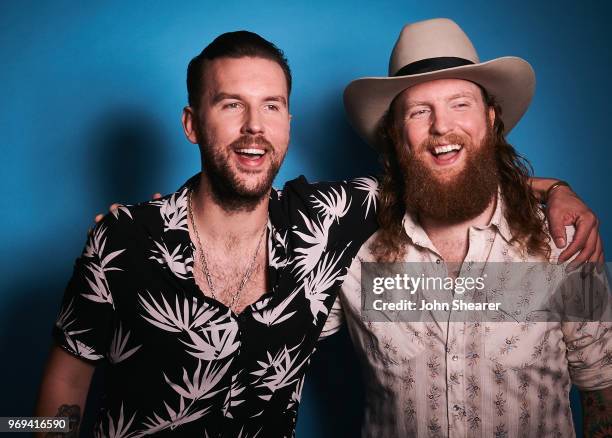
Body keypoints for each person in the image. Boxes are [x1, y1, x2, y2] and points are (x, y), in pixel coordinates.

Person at [36, 29, 602, 437]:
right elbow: (58, 399)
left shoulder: (326, 222)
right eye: (231, 105)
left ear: (288, 123)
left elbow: (446, 168)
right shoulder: (122, 239)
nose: (254, 127)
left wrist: (556, 190)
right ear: (192, 124)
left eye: (272, 107)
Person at [323, 18, 612, 437]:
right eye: (420, 111)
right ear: (395, 134)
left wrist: (556, 191)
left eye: (460, 103)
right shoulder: (354, 249)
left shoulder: (562, 240)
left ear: (491, 118)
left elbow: (603, 386)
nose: (442, 126)